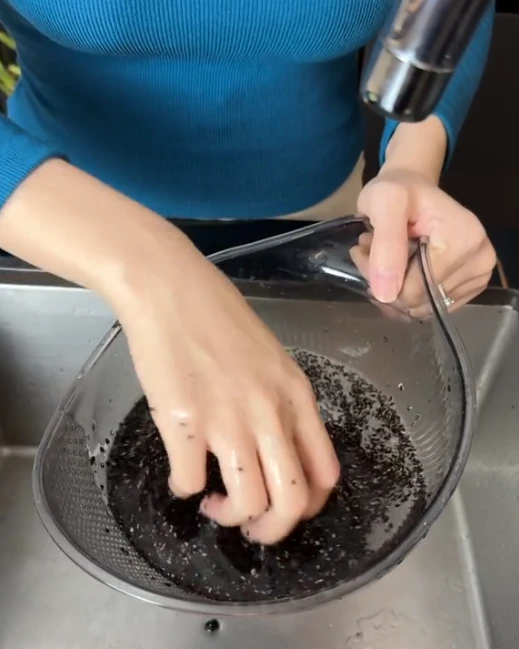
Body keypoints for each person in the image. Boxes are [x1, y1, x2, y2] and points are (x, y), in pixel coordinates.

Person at [0, 0, 496, 545]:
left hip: (317, 210)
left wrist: (412, 162)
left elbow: (446, 12)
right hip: (55, 215)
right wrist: (158, 272)